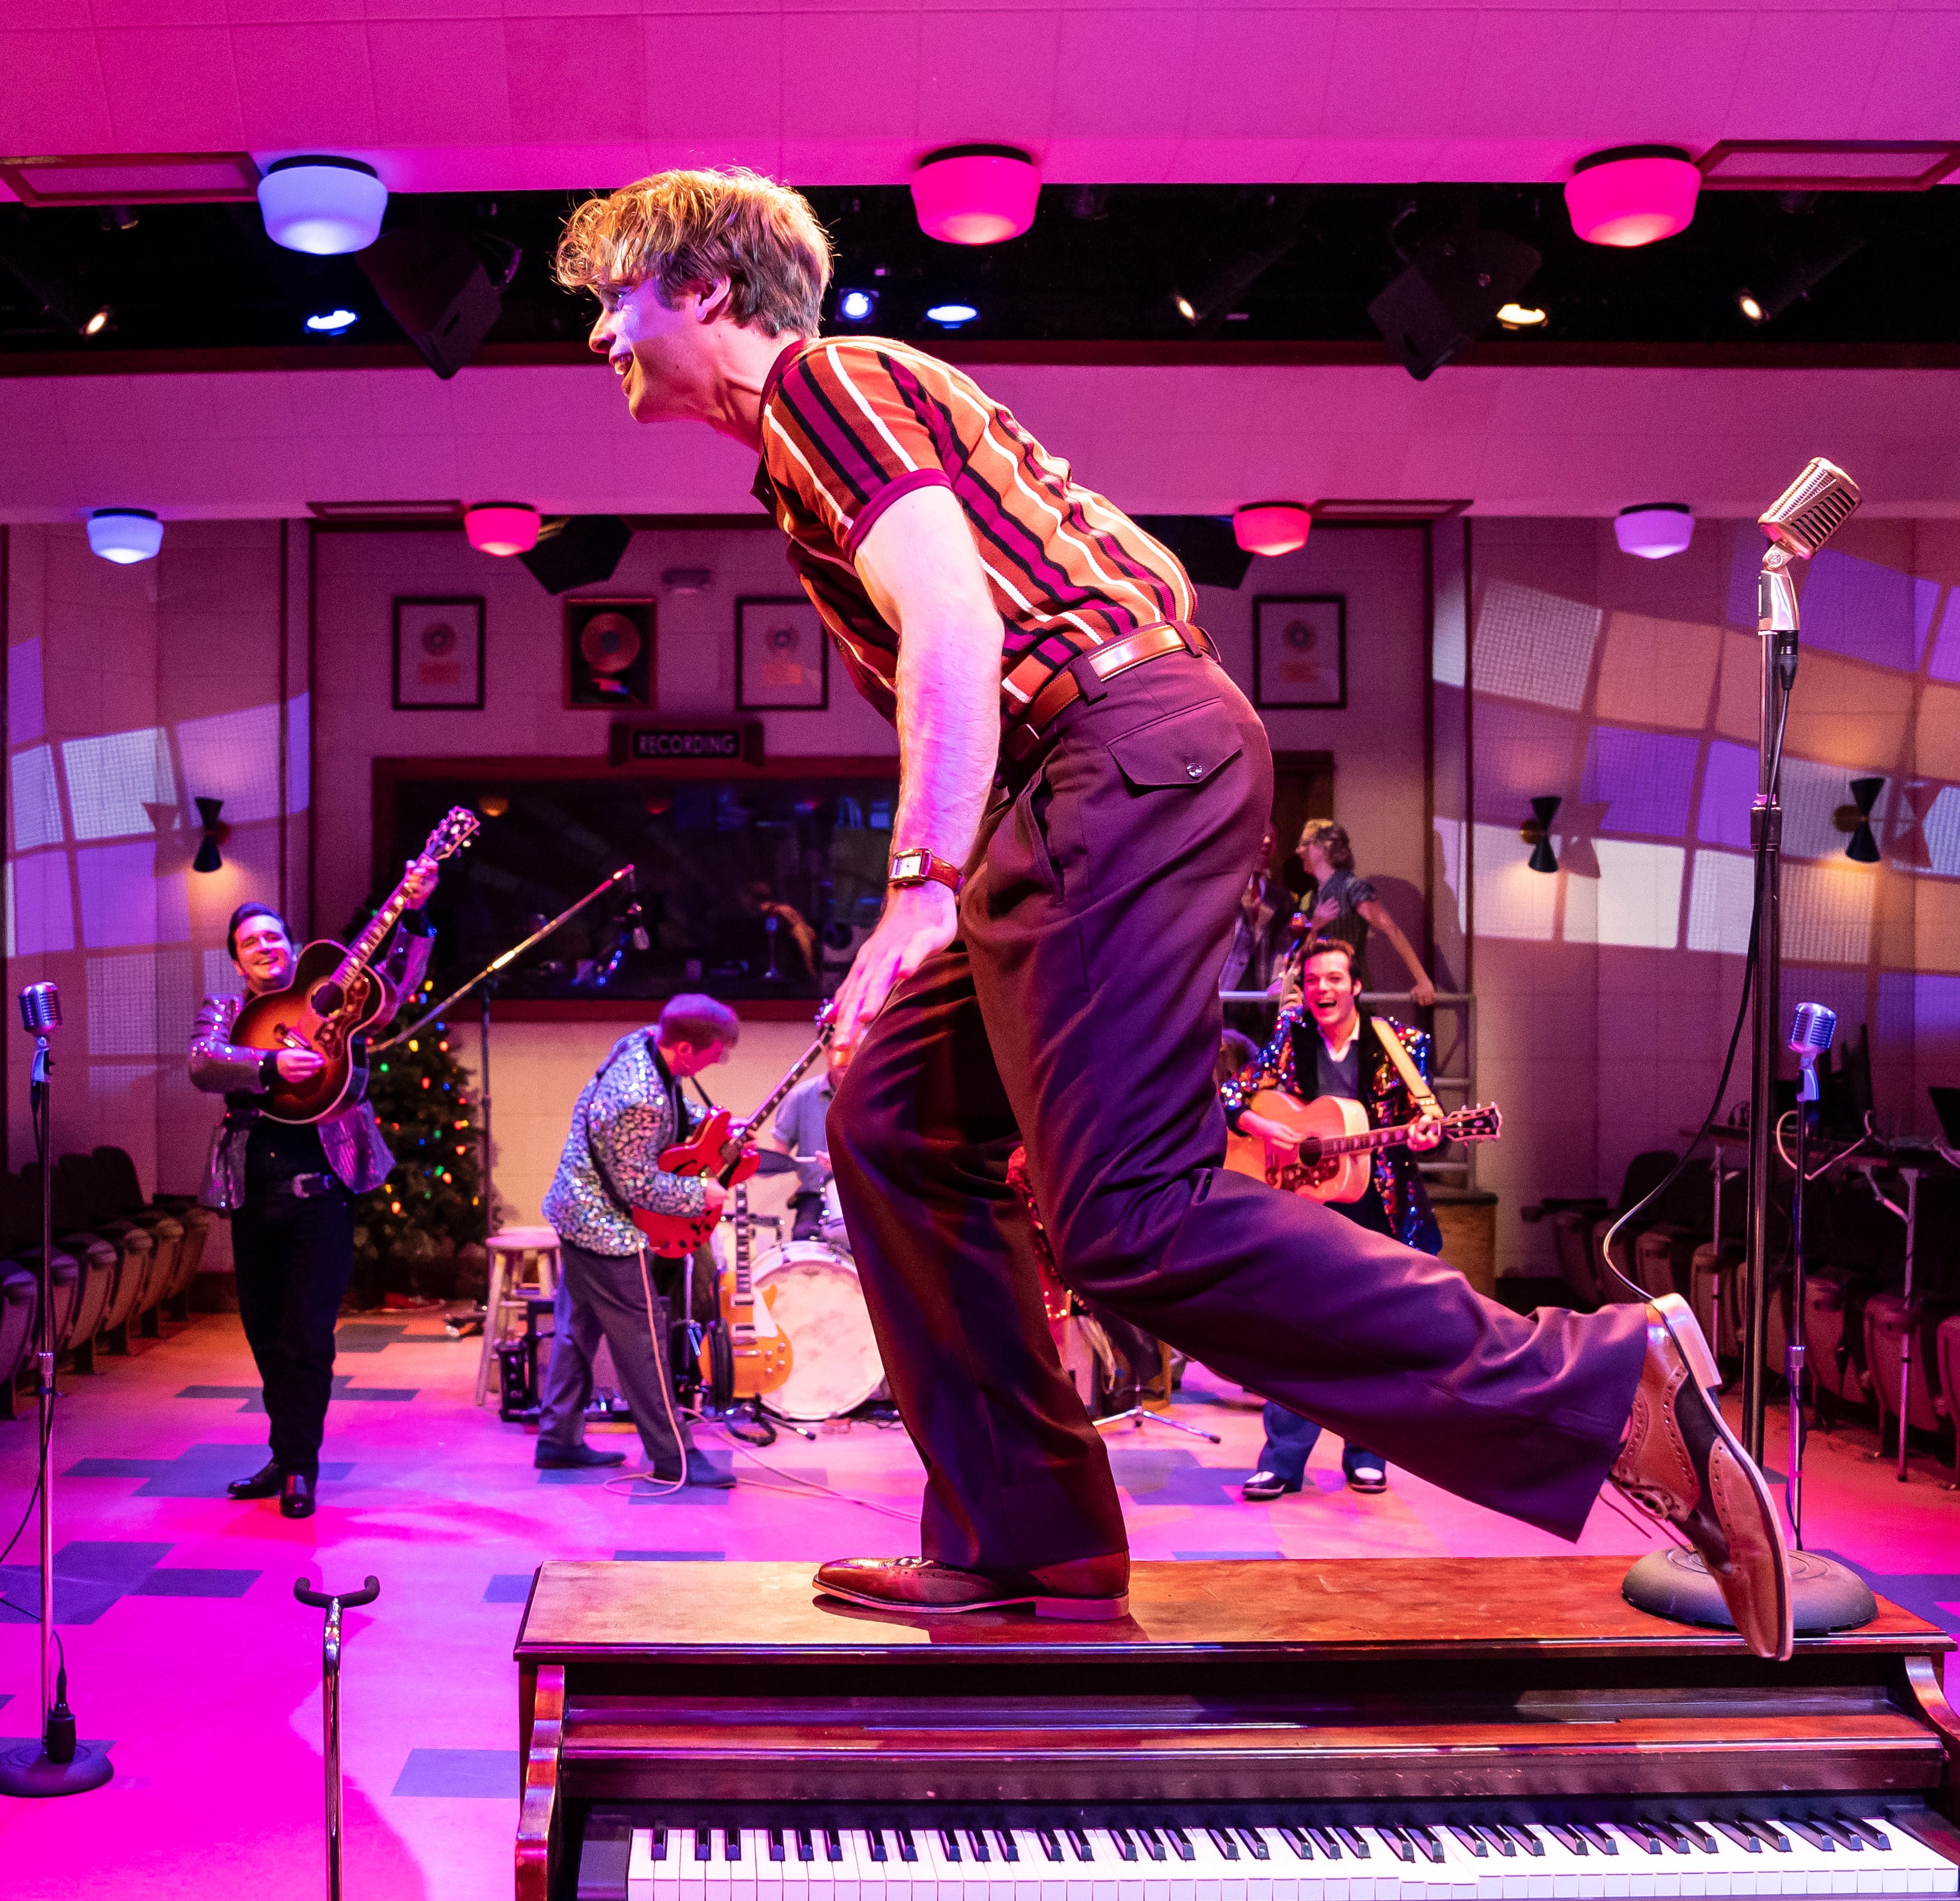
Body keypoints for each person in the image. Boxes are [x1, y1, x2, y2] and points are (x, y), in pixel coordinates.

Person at [550, 167, 1791, 1655]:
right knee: (889, 1124)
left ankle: (1601, 1387)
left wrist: (918, 891)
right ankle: (1031, 1541)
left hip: (1109, 752)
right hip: (1090, 772)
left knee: (1122, 1217)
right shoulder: (813, 430)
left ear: (700, 287)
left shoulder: (824, 384)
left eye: (612, 299)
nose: (595, 337)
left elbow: (952, 619)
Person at [189, 887, 435, 1519]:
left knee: (306, 1338)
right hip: (252, 1198)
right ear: (238, 965)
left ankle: (301, 1465)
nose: (264, 947)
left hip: (321, 1198)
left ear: (295, 949)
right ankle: (283, 1450)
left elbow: (396, 988)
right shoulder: (226, 1012)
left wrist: (412, 914)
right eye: (250, 943)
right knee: (265, 1337)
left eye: (274, 937)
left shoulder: (333, 1001)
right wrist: (270, 1066)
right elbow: (203, 1063)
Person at [1221, 938, 1446, 1498]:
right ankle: (1283, 1460)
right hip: (1306, 1205)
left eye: (1335, 980)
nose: (1323, 989)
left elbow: (1424, 1120)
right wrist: (1268, 1128)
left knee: (1377, 1335)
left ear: (1357, 987)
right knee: (1296, 1333)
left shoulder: (1402, 1043)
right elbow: (1233, 1092)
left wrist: (1427, 1132)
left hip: (1379, 1208)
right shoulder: (1292, 1038)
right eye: (1315, 980)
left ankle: (1369, 1453)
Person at [534, 994, 743, 1488]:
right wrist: (703, 1192)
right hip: (602, 1225)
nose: (721, 1059)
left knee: (576, 1331)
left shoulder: (646, 1043)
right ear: (688, 1049)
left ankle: (558, 1440)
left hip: (575, 1210)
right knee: (645, 1338)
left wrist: (713, 1130)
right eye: (717, 1052)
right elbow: (638, 1187)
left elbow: (673, 1111)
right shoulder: (637, 1097)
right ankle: (677, 1458)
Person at [1295, 820, 1437, 1009]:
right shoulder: (1312, 896)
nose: (1299, 851)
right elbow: (1304, 951)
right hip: (1320, 994)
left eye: (1306, 844)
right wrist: (1315, 926)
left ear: (1324, 848)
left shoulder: (1351, 888)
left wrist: (1423, 981)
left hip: (1351, 995)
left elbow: (1391, 929)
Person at [759, 1037, 845, 1237]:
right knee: (804, 1242)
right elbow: (778, 1156)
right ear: (826, 1051)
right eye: (839, 1049)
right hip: (814, 1196)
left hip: (866, 1195)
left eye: (853, 1049)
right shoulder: (800, 1096)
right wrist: (746, 1164)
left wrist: (848, 1164)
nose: (844, 1058)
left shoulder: (876, 1095)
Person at [1223, 819, 1294, 1040]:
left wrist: (1278, 983)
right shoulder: (1224, 889)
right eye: (1261, 834)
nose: (1266, 841)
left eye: (1272, 838)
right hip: (1224, 991)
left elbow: (1283, 947)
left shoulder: (1280, 897)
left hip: (1260, 996)